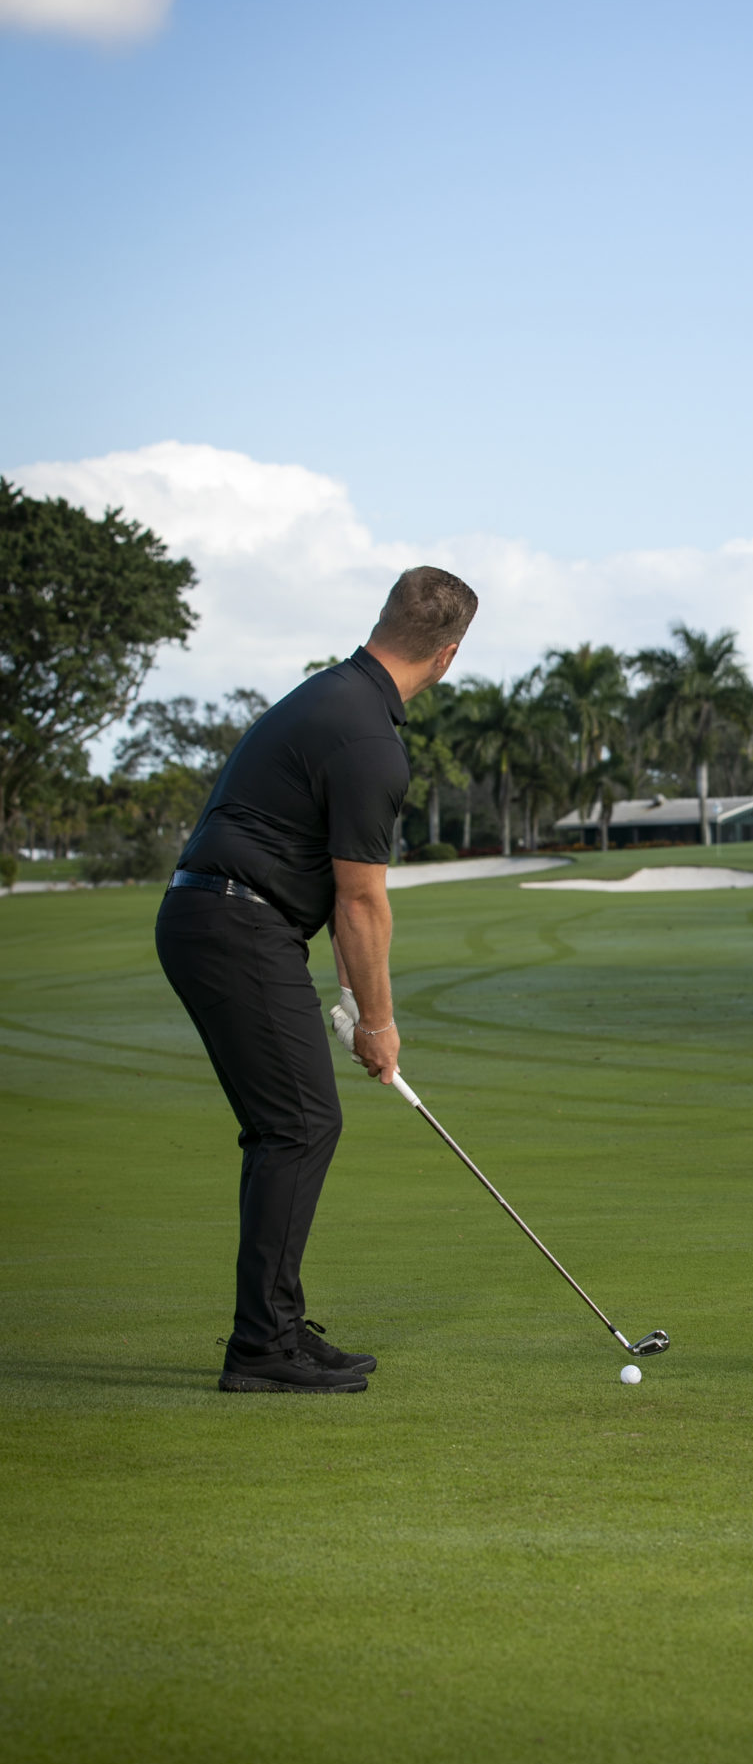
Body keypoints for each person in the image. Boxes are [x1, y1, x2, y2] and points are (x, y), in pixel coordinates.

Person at [155, 566, 478, 1394]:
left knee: (291, 1125)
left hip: (220, 918)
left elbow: (337, 890)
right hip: (235, 924)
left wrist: (343, 997)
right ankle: (262, 1347)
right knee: (297, 1126)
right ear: (446, 656)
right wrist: (377, 1023)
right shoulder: (371, 742)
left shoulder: (331, 695)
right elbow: (364, 902)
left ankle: (280, 1326)